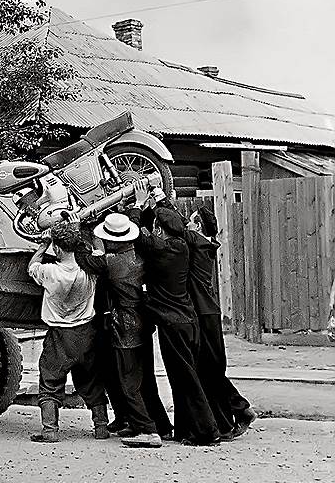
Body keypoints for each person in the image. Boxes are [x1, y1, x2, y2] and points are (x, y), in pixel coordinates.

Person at [127, 179, 220, 446]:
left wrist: (137, 205)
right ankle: (186, 431)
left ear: (160, 229)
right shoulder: (182, 246)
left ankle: (206, 432)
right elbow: (170, 225)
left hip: (173, 325)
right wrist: (156, 204)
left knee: (185, 379)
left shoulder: (161, 249)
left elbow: (137, 233)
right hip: (188, 320)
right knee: (184, 378)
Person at [76, 213, 166, 448]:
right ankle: (148, 424)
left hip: (125, 326)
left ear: (113, 240)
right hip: (142, 321)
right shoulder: (137, 256)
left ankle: (147, 429)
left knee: (128, 380)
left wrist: (76, 236)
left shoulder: (113, 262)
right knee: (141, 376)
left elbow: (86, 260)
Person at [27, 222, 109, 443]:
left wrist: (43, 245)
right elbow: (99, 251)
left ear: (58, 248)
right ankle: (101, 426)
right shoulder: (90, 270)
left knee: (50, 379)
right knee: (91, 380)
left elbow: (32, 266)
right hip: (86, 332)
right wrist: (92, 234)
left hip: (59, 335)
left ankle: (50, 430)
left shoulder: (50, 271)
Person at [185, 206, 257, 438]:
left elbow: (181, 230)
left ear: (198, 226)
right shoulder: (204, 244)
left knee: (210, 369)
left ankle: (240, 407)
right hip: (207, 312)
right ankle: (229, 417)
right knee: (209, 369)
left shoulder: (200, 243)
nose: (187, 224)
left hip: (205, 314)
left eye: (191, 221)